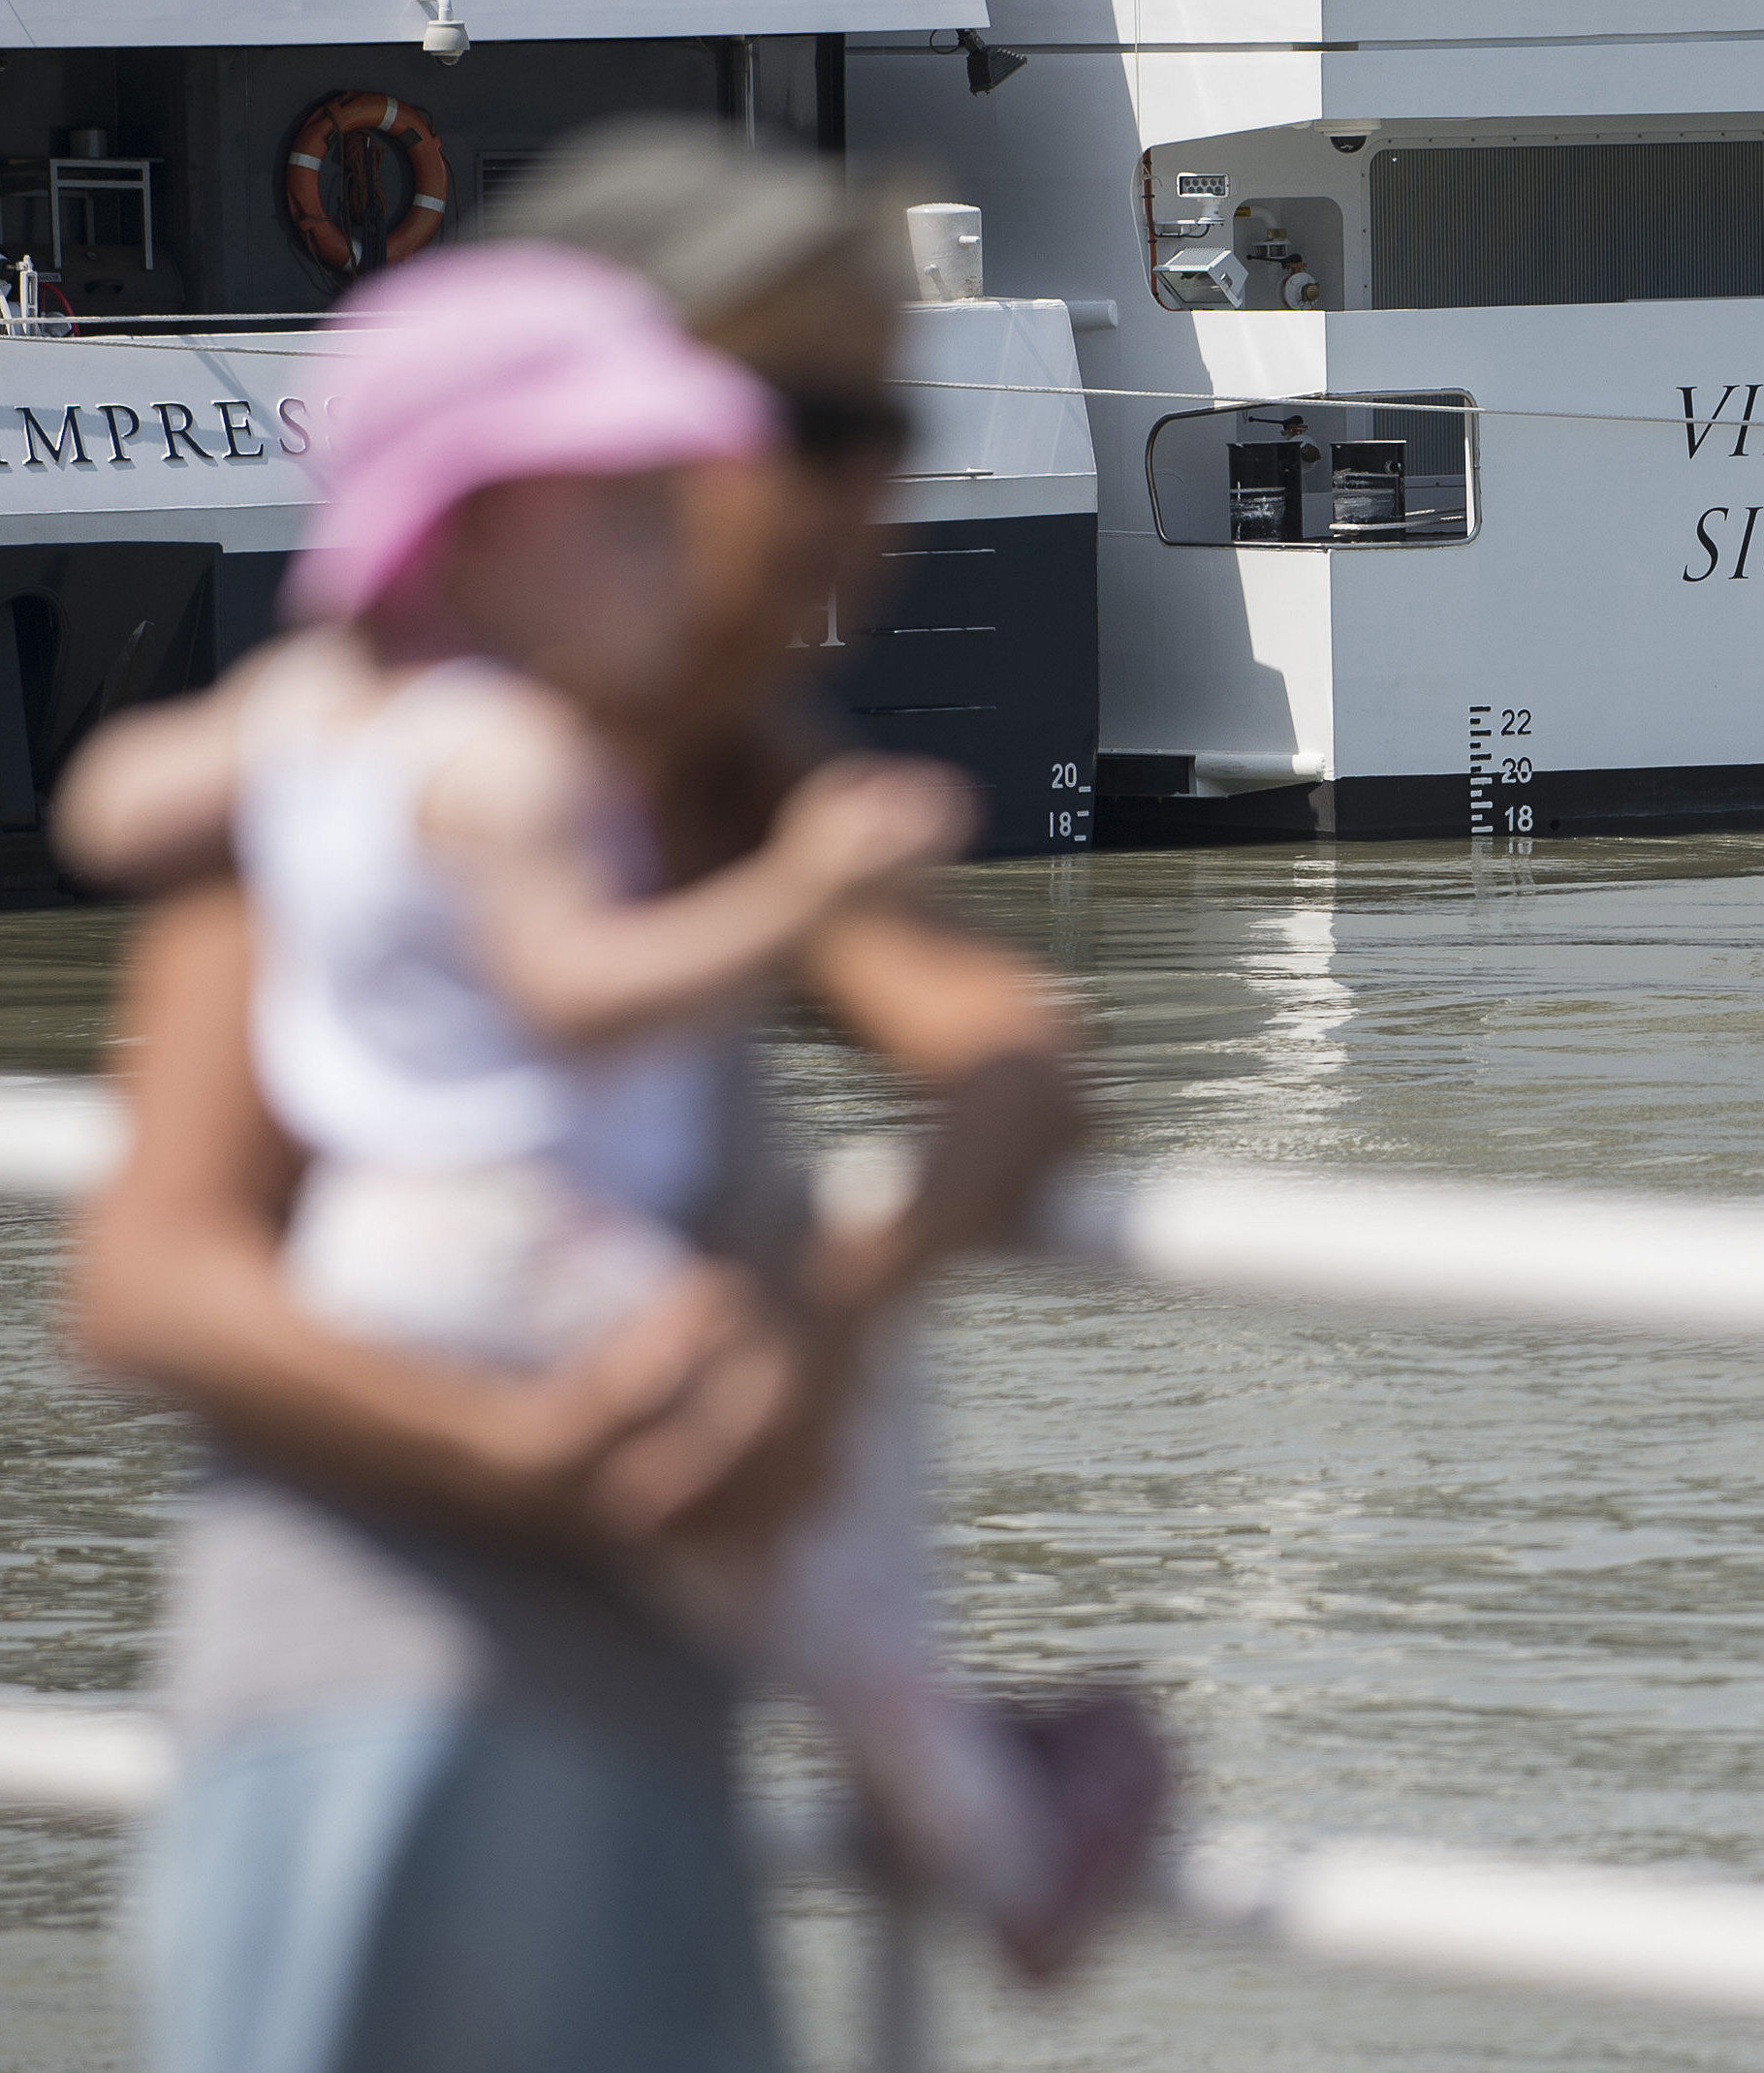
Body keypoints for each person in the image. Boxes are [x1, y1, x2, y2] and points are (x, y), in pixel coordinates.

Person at [67, 127, 1122, 2073]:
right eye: (801, 415)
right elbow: (152, 1276)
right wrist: (570, 1452)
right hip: (380, 1708)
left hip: (633, 1730)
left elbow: (1008, 1047)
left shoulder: (718, 780)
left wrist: (811, 1325)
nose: (867, 482)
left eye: (886, 421)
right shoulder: (353, 774)